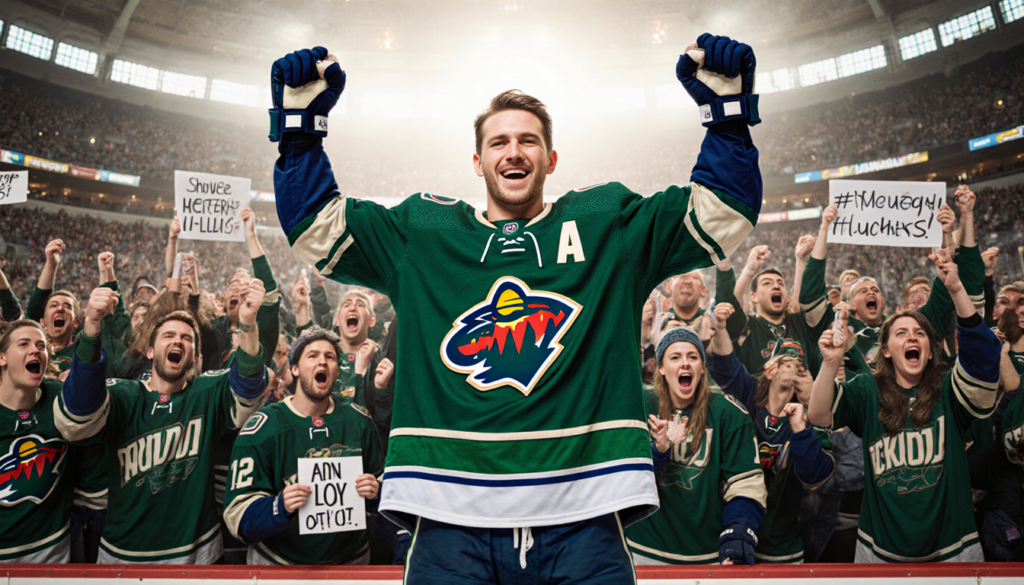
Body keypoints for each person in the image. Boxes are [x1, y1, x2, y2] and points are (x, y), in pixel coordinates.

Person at [271, 32, 762, 581]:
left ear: (550, 159)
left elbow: (724, 214)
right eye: (500, 142)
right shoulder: (424, 231)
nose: (514, 151)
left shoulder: (606, 224)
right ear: (478, 161)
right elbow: (314, 228)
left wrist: (727, 118)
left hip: (583, 515)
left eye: (528, 141)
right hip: (448, 519)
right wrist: (299, 133)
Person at [808, 249, 1001, 562]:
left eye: (919, 333)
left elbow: (984, 356)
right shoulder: (866, 390)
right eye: (901, 333)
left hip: (954, 549)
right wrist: (830, 363)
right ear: (885, 350)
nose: (912, 337)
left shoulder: (949, 389)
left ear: (928, 348)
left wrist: (955, 289)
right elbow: (818, 414)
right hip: (878, 551)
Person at [53, 283, 268, 564]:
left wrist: (248, 324)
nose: (177, 341)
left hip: (196, 554)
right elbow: (76, 414)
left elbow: (249, 388)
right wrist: (92, 326)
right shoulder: (121, 396)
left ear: (194, 355)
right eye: (168, 335)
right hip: (123, 555)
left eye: (186, 338)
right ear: (151, 351)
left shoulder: (205, 392)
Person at [224, 328, 383, 565]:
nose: (322, 361)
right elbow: (237, 518)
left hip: (352, 564)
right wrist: (279, 506)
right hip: (280, 565)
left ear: (337, 370)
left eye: (330, 357)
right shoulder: (262, 428)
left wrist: (376, 493)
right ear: (294, 369)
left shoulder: (359, 420)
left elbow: (387, 496)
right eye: (313, 355)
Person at [626, 326, 766, 565]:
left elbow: (745, 483)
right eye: (675, 357)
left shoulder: (729, 413)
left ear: (702, 368)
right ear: (660, 367)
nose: (685, 364)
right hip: (642, 550)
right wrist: (658, 452)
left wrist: (739, 528)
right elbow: (624, 481)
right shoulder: (638, 405)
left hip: (706, 554)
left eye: (693, 357)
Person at [709, 302, 834, 563]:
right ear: (770, 369)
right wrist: (720, 327)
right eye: (789, 362)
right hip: (737, 537)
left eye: (802, 364)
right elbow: (725, 366)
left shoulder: (811, 416)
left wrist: (803, 423)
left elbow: (816, 475)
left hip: (785, 547)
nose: (797, 366)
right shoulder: (749, 395)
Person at [0, 319, 106, 563]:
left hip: (54, 553)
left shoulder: (59, 397)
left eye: (41, 345)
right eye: (23, 344)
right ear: (2, 358)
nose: (35, 350)